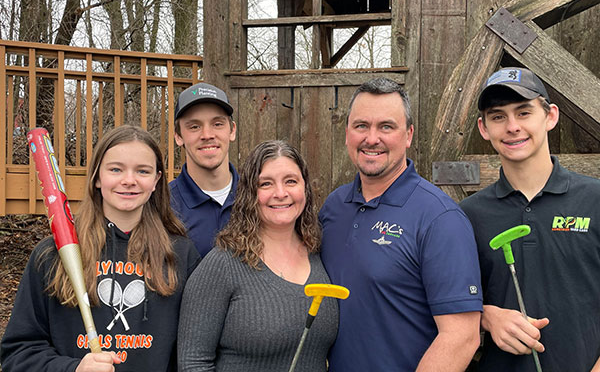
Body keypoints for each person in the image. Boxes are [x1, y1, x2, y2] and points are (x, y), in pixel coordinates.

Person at [0, 125, 201, 372]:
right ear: (97, 177)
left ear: (156, 180)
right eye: (116, 169)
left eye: (143, 171)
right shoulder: (52, 256)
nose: (129, 180)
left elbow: (196, 352)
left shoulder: (181, 254)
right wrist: (73, 369)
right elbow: (18, 353)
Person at [319, 77, 483, 371]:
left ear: (408, 135)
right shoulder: (333, 207)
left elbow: (461, 336)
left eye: (386, 126)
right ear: (347, 134)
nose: (372, 138)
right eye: (361, 126)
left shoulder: (440, 218)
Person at [460, 67, 600, 371]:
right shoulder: (467, 215)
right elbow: (448, 304)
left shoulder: (595, 200)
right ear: (484, 128)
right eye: (498, 117)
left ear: (550, 116)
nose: (512, 127)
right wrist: (487, 317)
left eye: (524, 113)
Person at [178, 140, 338, 372]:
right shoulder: (223, 264)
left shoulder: (320, 254)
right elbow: (193, 362)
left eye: (291, 181)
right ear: (250, 193)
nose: (280, 193)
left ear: (305, 188)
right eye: (266, 184)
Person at [170, 82, 238, 257]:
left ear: (232, 130)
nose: (207, 135)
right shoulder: (162, 205)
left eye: (217, 124)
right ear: (178, 136)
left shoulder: (258, 197)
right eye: (194, 126)